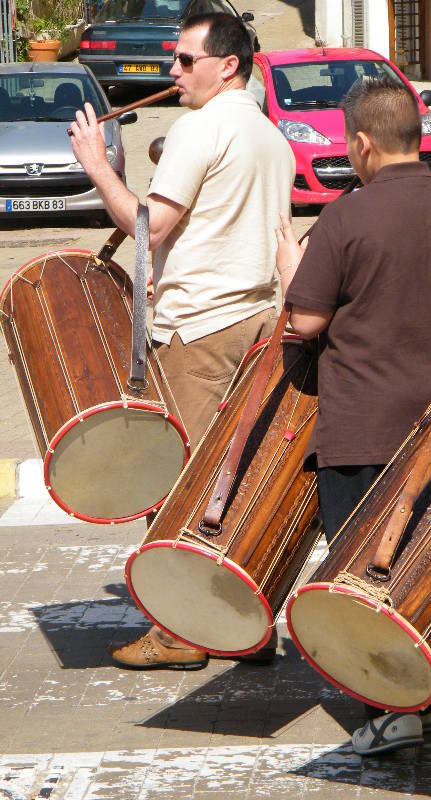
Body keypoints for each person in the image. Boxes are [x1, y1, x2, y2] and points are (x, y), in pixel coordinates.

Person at [275, 77, 431, 755]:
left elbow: (306, 319)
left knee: (366, 580)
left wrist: (291, 267)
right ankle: (417, 704)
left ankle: (395, 712)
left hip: (363, 428)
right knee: (421, 570)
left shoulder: (346, 216)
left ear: (363, 144)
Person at [70, 12, 295, 670]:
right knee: (234, 484)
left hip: (199, 328)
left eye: (185, 60)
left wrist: (96, 168)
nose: (173, 72)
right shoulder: (271, 138)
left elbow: (149, 227)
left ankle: (179, 633)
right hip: (256, 326)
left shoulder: (201, 127)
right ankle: (241, 624)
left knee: (175, 486)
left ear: (228, 65)